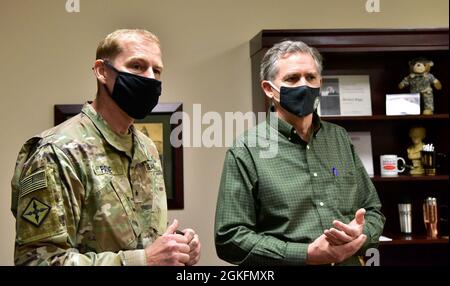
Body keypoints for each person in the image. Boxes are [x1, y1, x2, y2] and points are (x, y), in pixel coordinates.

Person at [11, 29, 201, 266]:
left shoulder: (147, 148)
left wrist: (177, 247)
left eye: (157, 70)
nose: (150, 78)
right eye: (137, 66)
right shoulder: (57, 152)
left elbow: (140, 237)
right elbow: (36, 260)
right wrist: (143, 260)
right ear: (102, 71)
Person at [215, 40, 385, 266]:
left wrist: (360, 236)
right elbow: (229, 238)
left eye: (311, 77)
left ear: (320, 83)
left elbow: (373, 210)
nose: (304, 85)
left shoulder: (339, 138)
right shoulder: (246, 150)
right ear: (268, 89)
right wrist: (305, 253)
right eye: (292, 78)